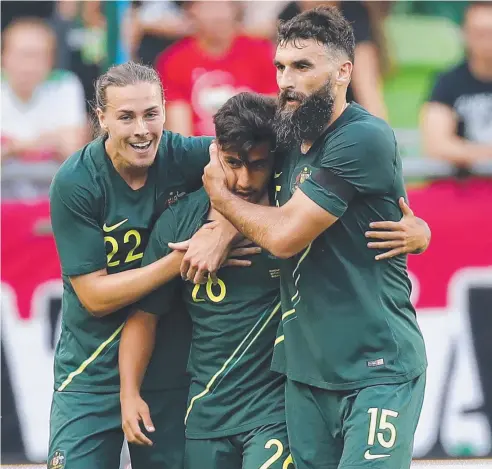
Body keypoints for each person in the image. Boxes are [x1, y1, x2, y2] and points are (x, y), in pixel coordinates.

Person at [200, 8, 429, 469]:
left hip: (376, 367)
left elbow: (284, 237)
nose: (287, 80)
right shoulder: (283, 130)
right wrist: (220, 226)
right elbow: (211, 152)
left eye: (303, 67)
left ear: (344, 72)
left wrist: (221, 203)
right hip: (305, 374)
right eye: (280, 67)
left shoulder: (363, 137)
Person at [48, 61, 253, 469]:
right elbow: (94, 296)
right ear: (101, 118)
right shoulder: (76, 182)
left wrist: (225, 229)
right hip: (89, 371)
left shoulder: (188, 154)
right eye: (126, 117)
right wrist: (187, 256)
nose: (142, 130)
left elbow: (262, 162)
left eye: (151, 113)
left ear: (165, 109)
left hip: (167, 370)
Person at [119, 92, 291, 469]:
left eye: (258, 166)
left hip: (275, 410)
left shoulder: (293, 213)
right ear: (214, 153)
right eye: (233, 163)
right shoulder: (180, 221)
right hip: (207, 410)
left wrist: (418, 230)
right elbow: (144, 316)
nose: (244, 179)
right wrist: (129, 394)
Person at [155, 0, 277, 136]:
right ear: (190, 10)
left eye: (224, 4)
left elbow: (271, 116)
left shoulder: (261, 52)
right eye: (208, 6)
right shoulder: (173, 61)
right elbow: (181, 134)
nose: (218, 15)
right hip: (201, 151)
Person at [1, 17, 87, 199]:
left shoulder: (65, 85)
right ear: (4, 57)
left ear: (51, 60)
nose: (29, 66)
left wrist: (12, 148)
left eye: (38, 56)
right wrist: (49, 140)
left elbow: (73, 149)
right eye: (23, 55)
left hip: (53, 194)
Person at [421, 1, 492, 167]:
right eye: (480, 33)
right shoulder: (448, 82)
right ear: (465, 34)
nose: (487, 42)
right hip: (464, 183)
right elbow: (436, 145)